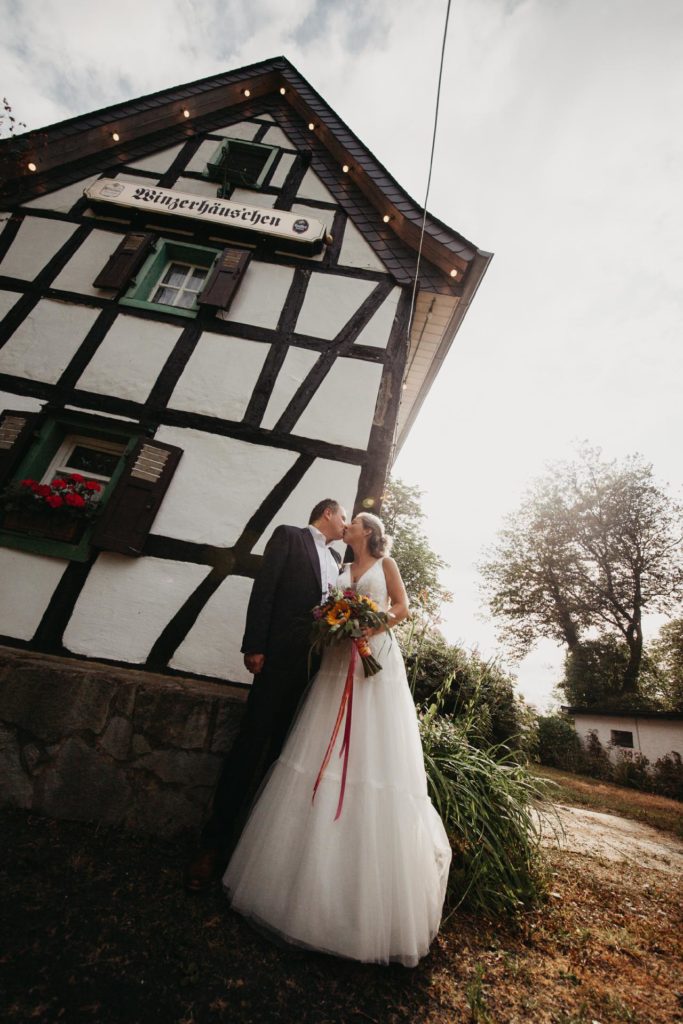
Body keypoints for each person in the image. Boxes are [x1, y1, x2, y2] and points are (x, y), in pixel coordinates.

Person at [223, 512, 452, 967]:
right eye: (344, 521)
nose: (346, 527)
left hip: (375, 660)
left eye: (354, 524)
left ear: (368, 532)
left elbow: (403, 609)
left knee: (371, 748)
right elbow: (324, 612)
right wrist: (336, 625)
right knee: (319, 744)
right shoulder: (340, 571)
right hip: (334, 666)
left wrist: (372, 626)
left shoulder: (386, 565)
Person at [184, 499, 347, 891]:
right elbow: (265, 589)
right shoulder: (289, 537)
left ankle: (253, 853)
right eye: (343, 516)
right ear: (327, 513)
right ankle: (212, 845)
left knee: (282, 755)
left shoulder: (338, 559)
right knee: (251, 744)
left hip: (314, 672)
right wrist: (254, 645)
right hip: (276, 661)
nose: (345, 523)